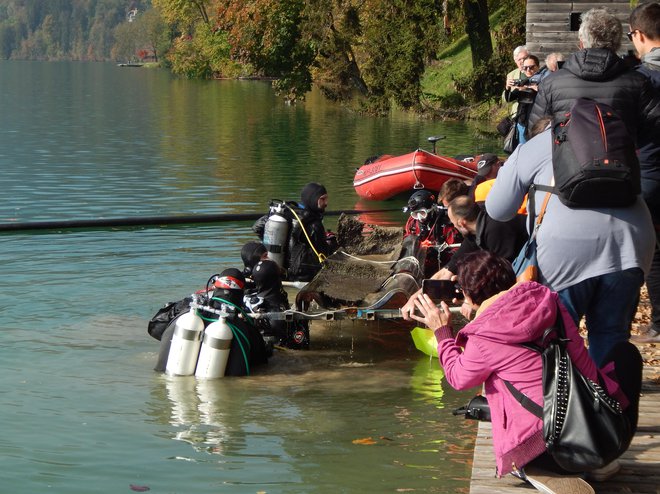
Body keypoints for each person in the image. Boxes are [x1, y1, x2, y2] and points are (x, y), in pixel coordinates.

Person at [408, 251, 640, 492]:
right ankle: (601, 463)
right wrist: (479, 312)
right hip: (610, 432)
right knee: (625, 354)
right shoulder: (549, 300)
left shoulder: (482, 337)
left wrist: (442, 331)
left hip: (553, 451)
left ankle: (534, 468)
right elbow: (514, 329)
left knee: (500, 389)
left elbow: (458, 377)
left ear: (467, 294)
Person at [485, 126, 655, 367]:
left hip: (564, 251)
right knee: (611, 336)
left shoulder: (538, 143)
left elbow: (498, 210)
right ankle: (609, 400)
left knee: (557, 338)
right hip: (632, 242)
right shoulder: (619, 135)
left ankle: (564, 401)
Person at [527, 8, 660, 135]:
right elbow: (652, 132)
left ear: (581, 43)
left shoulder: (551, 83)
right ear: (617, 43)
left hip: (565, 157)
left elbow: (535, 132)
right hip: (620, 156)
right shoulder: (638, 82)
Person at [400, 195, 528, 320]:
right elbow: (446, 271)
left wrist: (469, 300)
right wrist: (415, 298)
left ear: (461, 223)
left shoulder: (496, 229)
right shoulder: (474, 233)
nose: (454, 227)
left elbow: (502, 279)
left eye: (454, 223)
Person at [629, 2, 660, 342]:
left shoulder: (637, 80)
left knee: (653, 253)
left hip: (650, 173)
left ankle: (659, 324)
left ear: (638, 35)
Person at [249, 259, 310, 350]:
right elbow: (300, 347)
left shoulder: (250, 298)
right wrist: (302, 315)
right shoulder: (277, 312)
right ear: (276, 279)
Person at [504, 55, 540, 146]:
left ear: (538, 67)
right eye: (525, 68)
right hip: (522, 122)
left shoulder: (544, 82)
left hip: (538, 123)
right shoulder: (523, 82)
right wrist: (508, 87)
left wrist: (535, 89)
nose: (528, 70)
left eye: (531, 67)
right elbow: (509, 99)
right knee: (523, 148)